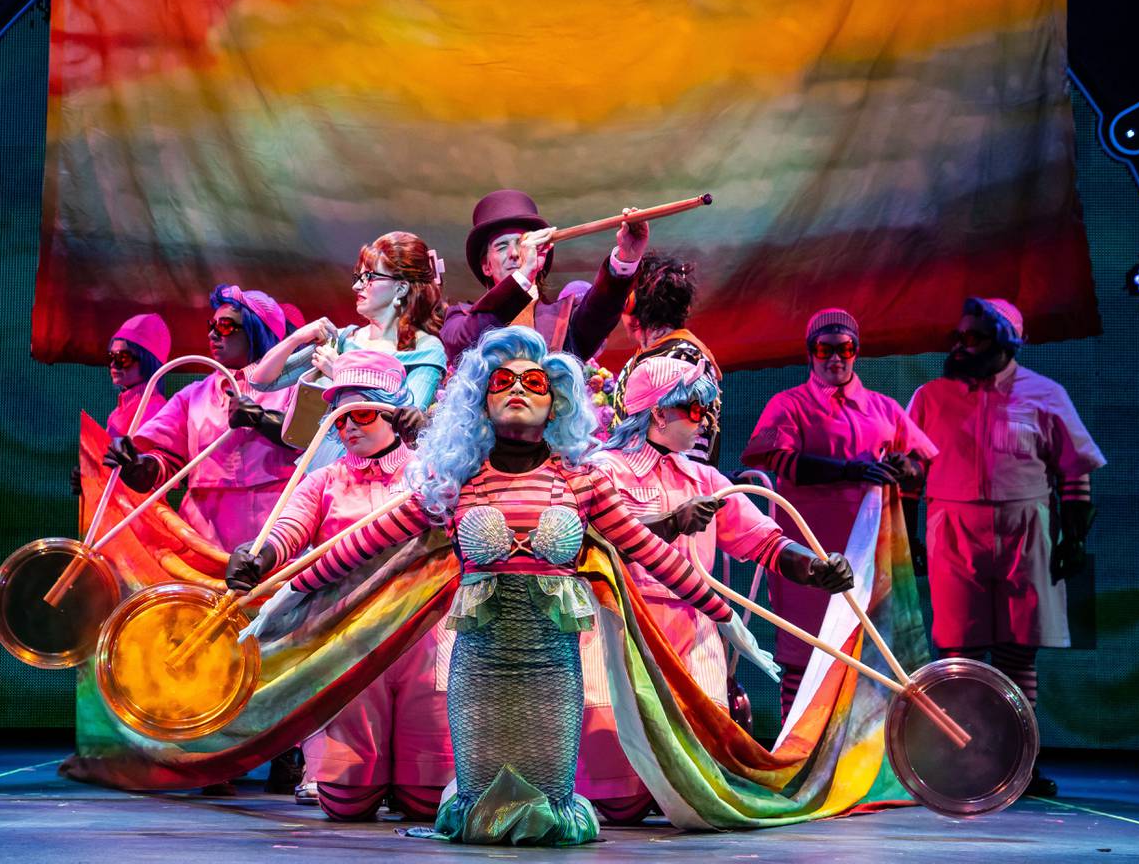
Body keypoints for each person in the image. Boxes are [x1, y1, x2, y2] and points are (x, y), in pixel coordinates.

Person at [279, 326, 778, 846]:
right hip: (480, 665)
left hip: (552, 667)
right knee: (481, 808)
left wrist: (725, 617)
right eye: (503, 382)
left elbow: (649, 552)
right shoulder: (456, 481)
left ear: (556, 401)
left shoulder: (581, 481)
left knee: (547, 800)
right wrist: (290, 596)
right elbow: (362, 544)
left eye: (535, 383)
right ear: (481, 400)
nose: (519, 390)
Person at [583, 355, 856, 822]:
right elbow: (600, 538)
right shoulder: (604, 470)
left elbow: (764, 540)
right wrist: (669, 522)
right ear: (658, 413)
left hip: (693, 629)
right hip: (625, 627)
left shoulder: (706, 479)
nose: (703, 420)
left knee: (702, 794)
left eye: (705, 411)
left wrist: (814, 568)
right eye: (693, 409)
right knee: (619, 799)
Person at [226, 351, 453, 821]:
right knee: (346, 802)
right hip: (345, 642)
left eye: (361, 414)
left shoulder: (432, 477)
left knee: (426, 802)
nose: (348, 428)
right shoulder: (324, 480)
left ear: (394, 411)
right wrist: (259, 555)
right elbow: (287, 531)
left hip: (423, 639)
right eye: (338, 418)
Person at [905, 297, 1104, 797]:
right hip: (952, 525)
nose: (963, 345)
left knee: (1018, 651)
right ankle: (964, 760)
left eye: (975, 337)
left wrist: (1075, 537)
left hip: (1025, 527)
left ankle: (1021, 762)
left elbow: (1073, 468)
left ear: (1005, 343)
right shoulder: (931, 396)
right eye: (961, 335)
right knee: (960, 651)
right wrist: (909, 534)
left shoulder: (1045, 395)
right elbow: (908, 472)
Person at [741, 308, 938, 717]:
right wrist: (849, 469)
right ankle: (795, 755)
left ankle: (857, 760)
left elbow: (922, 463)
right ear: (809, 353)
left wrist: (905, 467)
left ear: (856, 351)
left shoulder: (881, 407)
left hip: (868, 553)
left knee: (869, 651)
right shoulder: (790, 404)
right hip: (809, 547)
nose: (835, 358)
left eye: (845, 348)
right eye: (824, 349)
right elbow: (774, 458)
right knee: (805, 648)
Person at [101, 284, 298, 553]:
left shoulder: (293, 388)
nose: (213, 334)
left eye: (226, 326)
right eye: (212, 325)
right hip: (202, 533)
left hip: (274, 526)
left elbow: (313, 442)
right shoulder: (193, 396)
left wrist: (262, 419)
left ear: (256, 331)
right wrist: (136, 465)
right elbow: (164, 461)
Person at [248, 231, 448, 412]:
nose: (357, 286)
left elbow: (407, 417)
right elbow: (261, 381)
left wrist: (342, 373)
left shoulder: (426, 349)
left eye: (369, 276)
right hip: (325, 450)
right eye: (358, 277)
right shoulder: (343, 339)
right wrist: (297, 338)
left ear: (400, 288)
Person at [440, 190, 646, 364]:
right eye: (502, 246)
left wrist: (626, 258)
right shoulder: (461, 317)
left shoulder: (564, 318)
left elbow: (600, 312)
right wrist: (522, 277)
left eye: (522, 244)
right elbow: (461, 345)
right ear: (486, 265)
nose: (514, 253)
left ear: (540, 252)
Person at [610, 254, 721, 462]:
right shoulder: (644, 358)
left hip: (675, 487)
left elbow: (692, 449)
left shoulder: (684, 359)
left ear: (632, 304)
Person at [70, 314, 172, 499]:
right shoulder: (121, 409)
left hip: (137, 519)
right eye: (112, 356)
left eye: (122, 357)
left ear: (147, 360)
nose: (112, 364)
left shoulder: (156, 410)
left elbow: (148, 479)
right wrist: (89, 479)